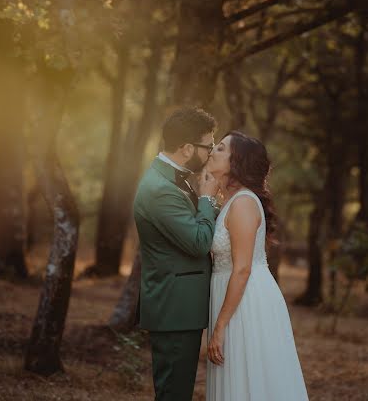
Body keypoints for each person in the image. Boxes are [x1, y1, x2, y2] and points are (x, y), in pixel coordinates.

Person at [205, 131, 309, 401]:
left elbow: (242, 269)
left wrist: (219, 327)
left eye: (220, 148)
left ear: (236, 161)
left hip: (245, 302)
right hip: (231, 295)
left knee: (250, 377)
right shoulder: (229, 201)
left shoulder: (243, 204)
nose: (212, 151)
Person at [132, 107, 221, 401]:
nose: (211, 153)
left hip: (181, 307)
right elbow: (197, 242)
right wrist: (207, 198)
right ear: (186, 149)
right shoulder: (159, 189)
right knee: (174, 394)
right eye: (208, 146)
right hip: (174, 309)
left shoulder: (173, 179)